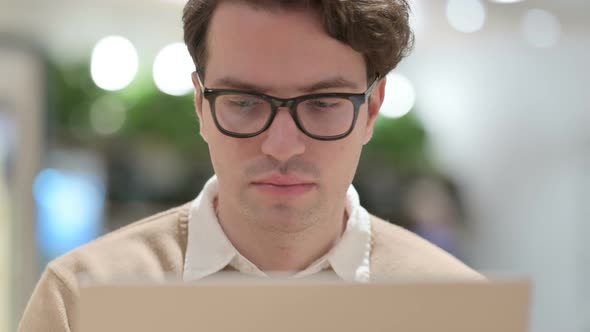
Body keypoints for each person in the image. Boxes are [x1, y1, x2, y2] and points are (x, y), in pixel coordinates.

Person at [18, 0, 483, 331]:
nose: (282, 146)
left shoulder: (460, 309)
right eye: (244, 102)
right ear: (201, 106)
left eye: (323, 103)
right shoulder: (82, 299)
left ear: (371, 110)